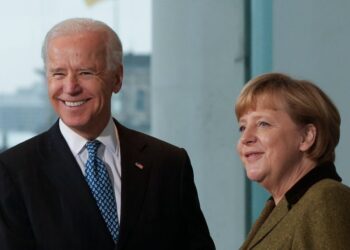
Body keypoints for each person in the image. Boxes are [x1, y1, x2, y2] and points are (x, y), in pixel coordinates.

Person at [0, 18, 215, 250]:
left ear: (117, 78)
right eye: (59, 74)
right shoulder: (13, 172)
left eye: (85, 72)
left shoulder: (169, 163)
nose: (71, 87)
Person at [235, 73, 350, 249]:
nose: (245, 138)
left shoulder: (326, 199)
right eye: (242, 127)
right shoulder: (279, 207)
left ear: (306, 136)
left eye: (263, 123)